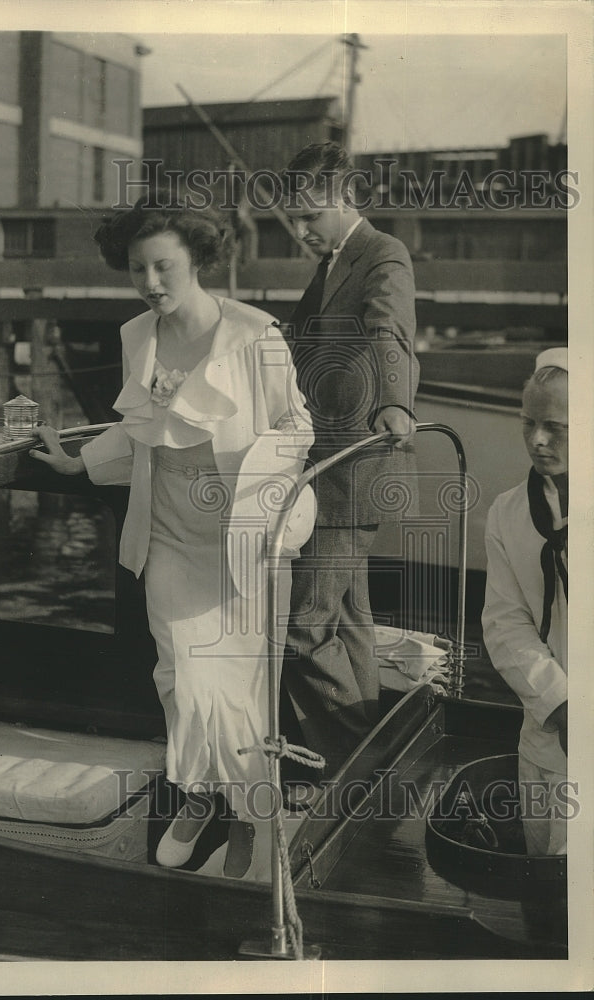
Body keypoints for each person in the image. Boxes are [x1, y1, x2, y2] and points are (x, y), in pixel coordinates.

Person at [30, 193, 314, 878]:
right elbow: (137, 432)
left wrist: (266, 502)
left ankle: (247, 815)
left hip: (242, 536)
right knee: (181, 678)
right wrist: (79, 462)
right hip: (169, 534)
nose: (150, 284)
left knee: (240, 685)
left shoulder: (254, 336)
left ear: (197, 262)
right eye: (137, 270)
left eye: (163, 267)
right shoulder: (137, 337)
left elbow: (295, 427)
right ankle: (199, 797)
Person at [278, 141, 420, 781]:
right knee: (349, 620)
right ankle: (373, 761)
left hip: (350, 470)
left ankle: (354, 764)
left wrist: (396, 404)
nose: (301, 230)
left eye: (309, 216)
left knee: (301, 629)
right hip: (326, 465)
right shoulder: (331, 264)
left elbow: (389, 329)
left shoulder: (381, 253)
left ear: (341, 196)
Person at [482, 347, 568, 856]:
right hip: (544, 738)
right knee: (545, 874)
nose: (537, 440)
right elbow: (505, 623)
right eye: (528, 423)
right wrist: (561, 704)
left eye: (554, 426)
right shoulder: (508, 513)